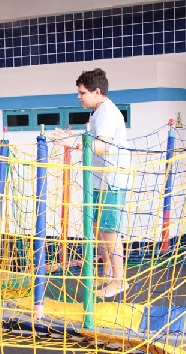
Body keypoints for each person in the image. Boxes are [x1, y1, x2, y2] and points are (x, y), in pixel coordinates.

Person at [48, 68, 131, 298]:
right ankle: (107, 273)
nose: (79, 97)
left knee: (109, 231)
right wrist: (72, 139)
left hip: (111, 180)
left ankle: (118, 281)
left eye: (82, 92)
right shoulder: (97, 112)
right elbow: (93, 141)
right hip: (100, 179)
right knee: (99, 229)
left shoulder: (106, 113)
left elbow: (104, 145)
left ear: (97, 91)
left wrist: (72, 143)